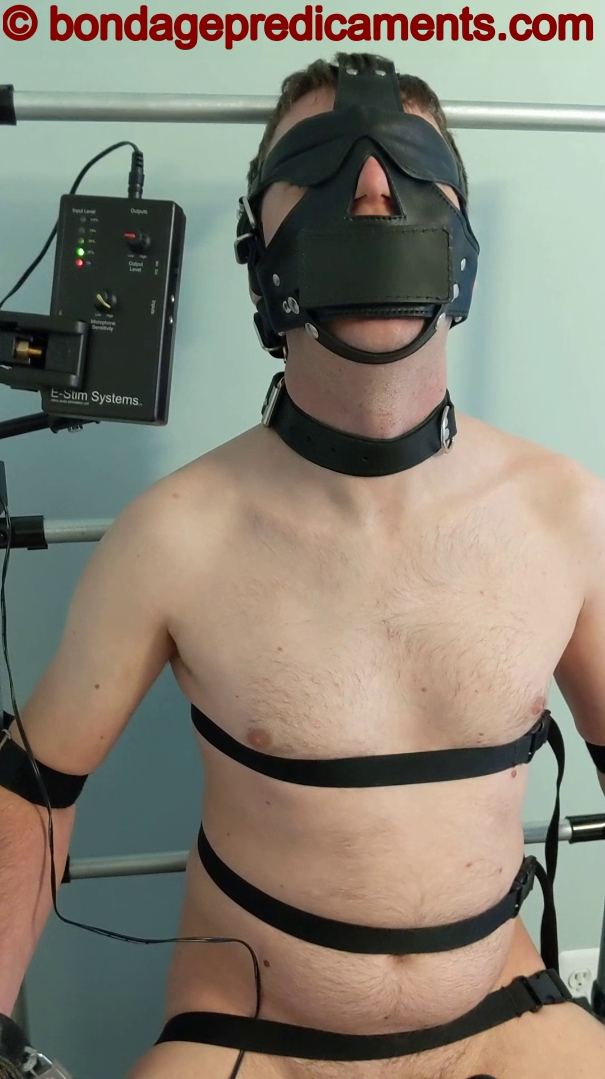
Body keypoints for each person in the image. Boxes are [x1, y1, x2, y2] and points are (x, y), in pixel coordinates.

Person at [1, 52, 605, 1079]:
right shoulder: (175, 534)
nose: (370, 187)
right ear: (259, 246)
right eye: (319, 162)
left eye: (410, 163)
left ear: (460, 234)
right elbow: (31, 788)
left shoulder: (566, 513)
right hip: (251, 1034)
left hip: (505, 1015)